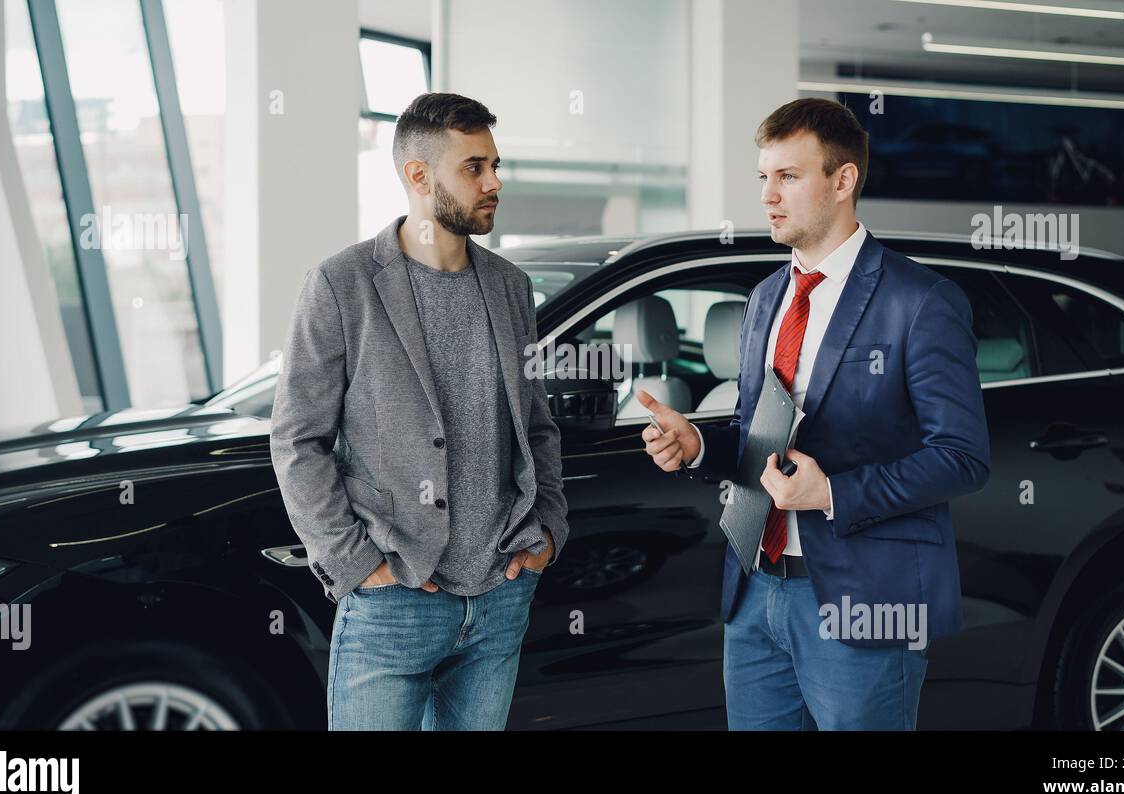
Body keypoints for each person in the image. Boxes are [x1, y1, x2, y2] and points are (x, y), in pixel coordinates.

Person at [639, 97, 990, 730]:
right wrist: (699, 446)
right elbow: (758, 432)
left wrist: (832, 491)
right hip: (756, 590)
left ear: (843, 179)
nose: (768, 196)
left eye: (788, 177)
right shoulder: (767, 298)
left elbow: (961, 458)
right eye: (763, 178)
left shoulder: (921, 301)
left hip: (864, 604)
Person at [269, 92, 568, 730]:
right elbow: (298, 441)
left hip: (500, 594)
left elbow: (537, 426)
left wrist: (546, 529)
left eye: (495, 165)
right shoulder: (341, 284)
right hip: (393, 601)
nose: (494, 182)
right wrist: (356, 565)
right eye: (475, 167)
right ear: (418, 175)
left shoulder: (511, 286)